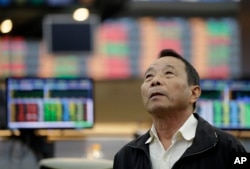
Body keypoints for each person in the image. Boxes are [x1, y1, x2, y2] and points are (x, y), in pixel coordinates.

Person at [113, 49, 247, 169]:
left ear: (194, 93)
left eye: (168, 73)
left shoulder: (229, 148)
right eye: (149, 76)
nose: (155, 81)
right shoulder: (125, 156)